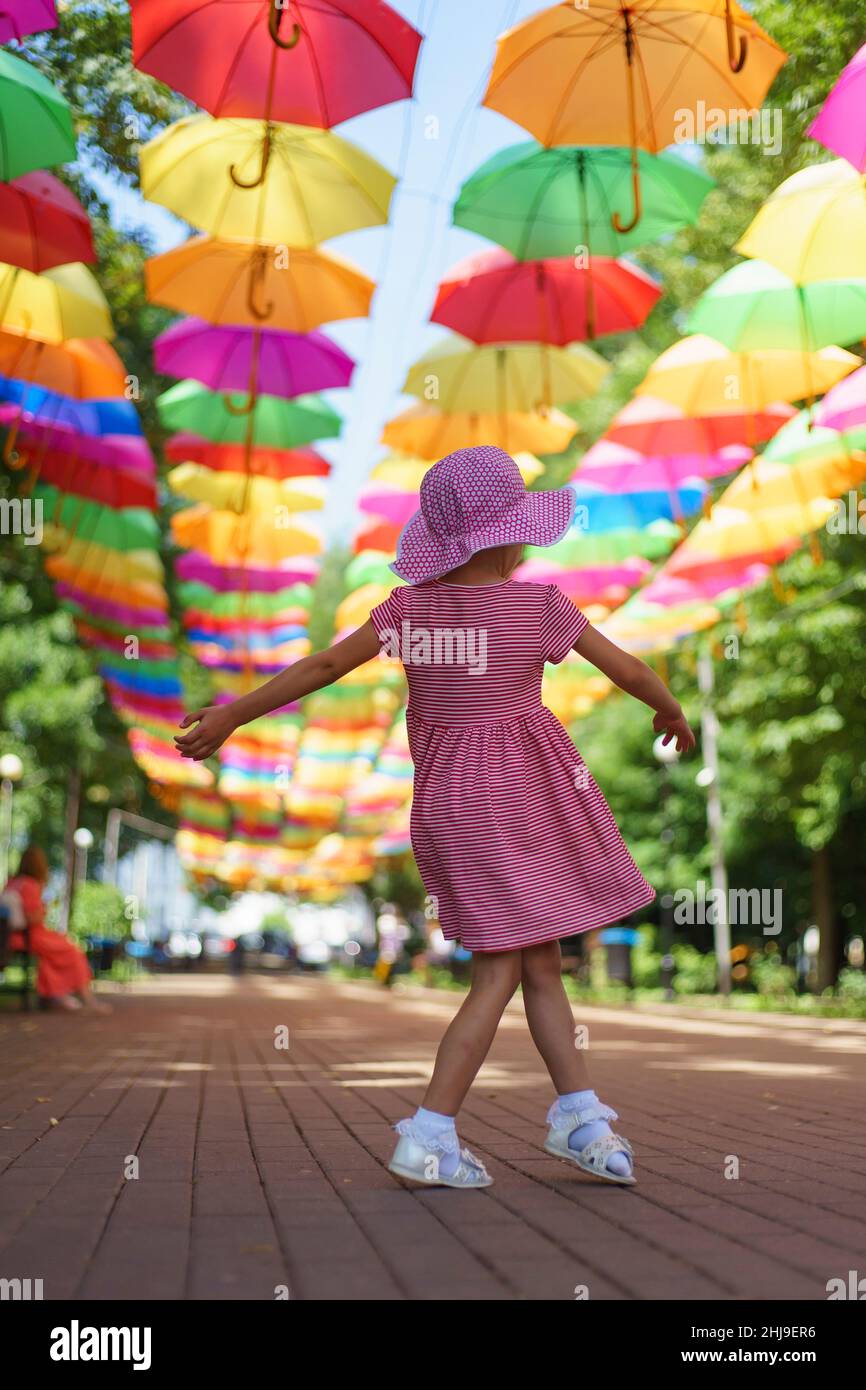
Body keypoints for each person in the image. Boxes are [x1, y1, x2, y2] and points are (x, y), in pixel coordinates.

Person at [176, 446, 695, 1190]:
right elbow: (632, 672)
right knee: (500, 972)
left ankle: (580, 1116)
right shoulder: (541, 606)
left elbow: (322, 667)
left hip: (453, 809)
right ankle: (430, 1132)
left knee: (538, 960)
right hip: (527, 804)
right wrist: (669, 708)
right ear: (511, 534)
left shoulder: (410, 612)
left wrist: (231, 715)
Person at [2, 846, 110, 1012]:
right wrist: (45, 907)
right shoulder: (30, 885)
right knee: (73, 951)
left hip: (8, 936)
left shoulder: (11, 883)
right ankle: (85, 998)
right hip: (28, 936)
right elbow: (32, 917)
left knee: (50, 958)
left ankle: (52, 996)